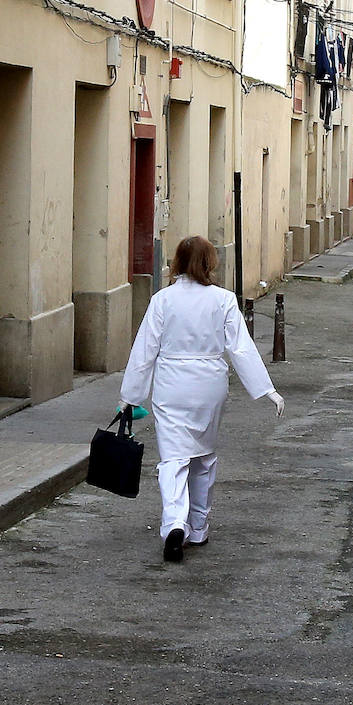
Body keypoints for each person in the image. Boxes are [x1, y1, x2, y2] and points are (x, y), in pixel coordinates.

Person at [120, 235, 285, 563]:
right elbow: (240, 347)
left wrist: (130, 396)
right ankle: (198, 525)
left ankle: (174, 523)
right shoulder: (223, 300)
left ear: (177, 262)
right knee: (204, 457)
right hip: (208, 383)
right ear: (210, 263)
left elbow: (144, 351)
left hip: (171, 384)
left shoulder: (162, 300)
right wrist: (267, 390)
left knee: (173, 458)